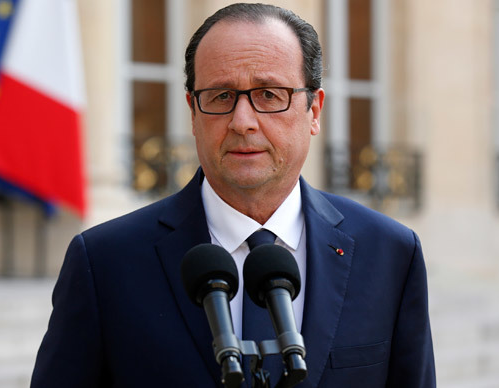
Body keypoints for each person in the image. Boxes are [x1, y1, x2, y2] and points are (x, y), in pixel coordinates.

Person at [30, 3, 435, 387]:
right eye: (221, 96)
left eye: (269, 95)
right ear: (192, 112)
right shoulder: (104, 262)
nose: (243, 122)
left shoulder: (390, 254)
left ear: (314, 111)